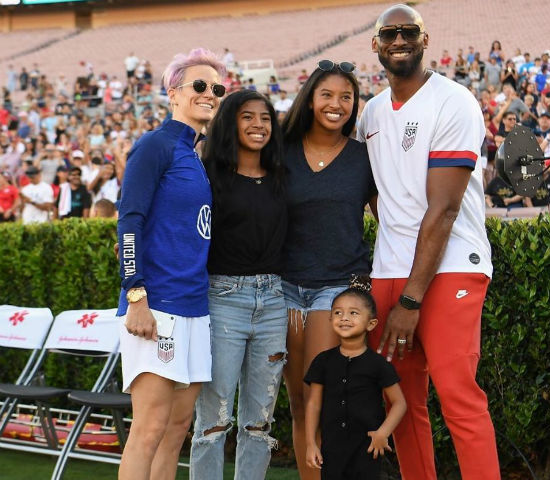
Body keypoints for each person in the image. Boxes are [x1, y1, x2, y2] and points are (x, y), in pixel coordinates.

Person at [357, 5, 500, 479]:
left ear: (424, 39)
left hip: (451, 265)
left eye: (408, 31)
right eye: (389, 33)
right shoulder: (371, 112)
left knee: (458, 394)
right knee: (398, 398)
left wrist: (412, 298)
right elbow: (379, 196)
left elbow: (444, 210)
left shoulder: (453, 100)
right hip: (388, 270)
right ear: (375, 45)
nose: (399, 40)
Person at [116, 47, 224, 480]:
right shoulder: (154, 146)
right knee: (149, 428)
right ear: (174, 93)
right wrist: (135, 294)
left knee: (178, 429)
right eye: (199, 85)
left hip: (196, 308)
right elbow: (129, 222)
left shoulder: (195, 156)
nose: (209, 93)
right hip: (156, 306)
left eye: (216, 88)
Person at [279, 59, 377, 480]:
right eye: (327, 95)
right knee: (298, 400)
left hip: (337, 287)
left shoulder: (364, 158)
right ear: (310, 99)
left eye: (346, 97)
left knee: (321, 395)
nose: (336, 104)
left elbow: (392, 221)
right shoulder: (281, 152)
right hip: (283, 287)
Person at [190, 90, 288, 480]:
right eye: (248, 117)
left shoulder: (282, 175)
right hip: (222, 300)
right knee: (213, 421)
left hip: (275, 301)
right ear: (230, 121)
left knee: (260, 423)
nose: (258, 125)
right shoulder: (207, 174)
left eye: (265, 118)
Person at [304, 287, 406, 479]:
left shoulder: (378, 365)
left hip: (367, 447)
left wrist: (383, 433)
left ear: (371, 323)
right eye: (337, 312)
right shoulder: (322, 362)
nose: (344, 317)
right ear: (330, 320)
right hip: (332, 449)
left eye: (353, 313)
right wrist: (311, 443)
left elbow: (400, 403)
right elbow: (314, 404)